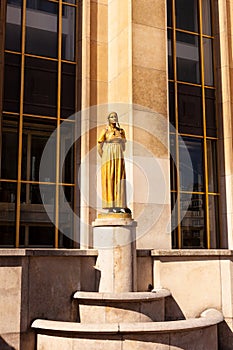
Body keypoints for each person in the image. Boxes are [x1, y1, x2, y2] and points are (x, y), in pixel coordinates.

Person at [98, 112, 131, 214]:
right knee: (110, 178)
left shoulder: (121, 131)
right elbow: (99, 146)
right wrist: (104, 157)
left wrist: (119, 150)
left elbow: (124, 147)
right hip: (108, 154)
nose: (114, 118)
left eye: (115, 116)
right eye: (112, 117)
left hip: (119, 155)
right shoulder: (105, 131)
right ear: (108, 119)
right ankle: (110, 206)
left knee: (119, 178)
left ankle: (120, 204)